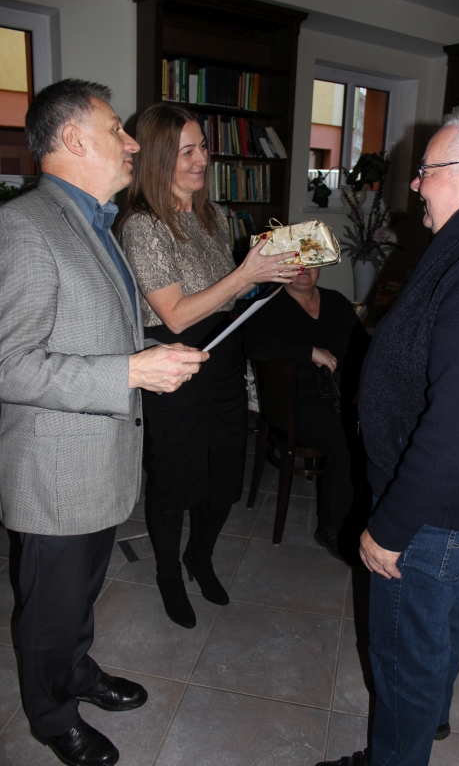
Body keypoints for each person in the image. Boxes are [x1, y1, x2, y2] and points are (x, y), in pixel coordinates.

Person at [0, 79, 209, 766]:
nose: (131, 144)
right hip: (54, 472)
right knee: (50, 608)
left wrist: (150, 353)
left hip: (95, 460)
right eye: (116, 129)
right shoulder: (25, 227)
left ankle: (77, 670)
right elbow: (8, 366)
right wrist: (129, 372)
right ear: (72, 139)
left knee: (80, 595)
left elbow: (93, 330)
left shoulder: (95, 222)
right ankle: (51, 714)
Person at [317, 113, 459, 766]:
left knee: (404, 654)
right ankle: (429, 723)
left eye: (427, 172)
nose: (416, 185)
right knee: (440, 616)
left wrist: (393, 524)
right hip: (448, 502)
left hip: (433, 507)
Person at [119, 102, 302, 630]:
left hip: (223, 363)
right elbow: (176, 314)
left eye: (203, 147)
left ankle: (199, 557)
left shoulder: (215, 216)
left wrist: (269, 277)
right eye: (187, 152)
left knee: (223, 481)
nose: (202, 160)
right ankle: (169, 575)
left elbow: (227, 300)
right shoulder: (143, 226)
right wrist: (245, 275)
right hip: (173, 370)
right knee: (174, 484)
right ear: (158, 158)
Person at [244, 266, 370, 558]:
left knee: (377, 433)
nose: (304, 271)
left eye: (311, 263)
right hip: (294, 402)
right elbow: (254, 344)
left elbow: (362, 345)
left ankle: (362, 515)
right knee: (345, 446)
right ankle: (331, 528)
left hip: (338, 396)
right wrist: (310, 351)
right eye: (296, 263)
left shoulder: (335, 300)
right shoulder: (269, 304)